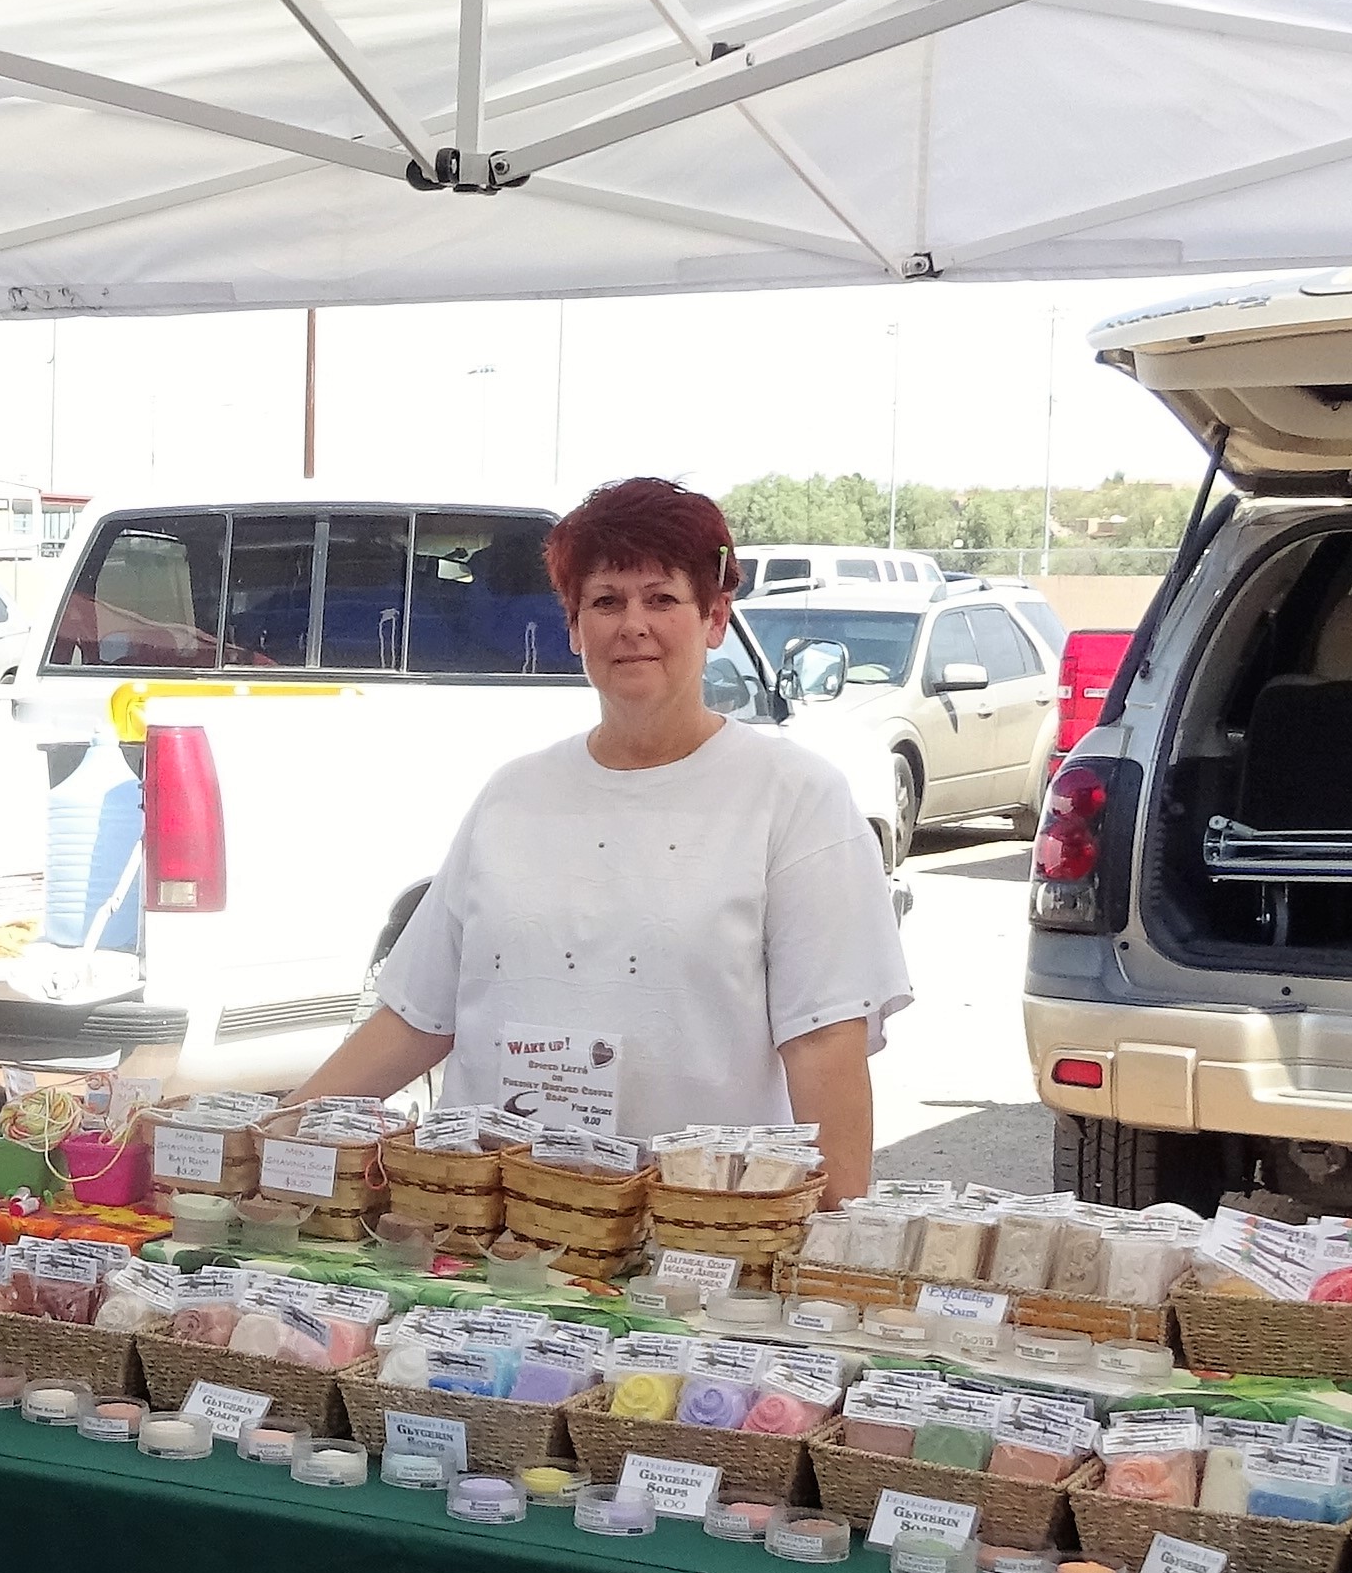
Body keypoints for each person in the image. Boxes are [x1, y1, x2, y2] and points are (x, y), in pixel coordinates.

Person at [271, 475, 909, 1189]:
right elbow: (418, 1015)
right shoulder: (513, 797)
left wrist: (838, 1241)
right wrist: (271, 1135)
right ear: (575, 628)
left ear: (715, 618)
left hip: (692, 1239)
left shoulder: (796, 798)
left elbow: (825, 1045)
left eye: (662, 598)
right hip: (491, 1231)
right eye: (605, 601)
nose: (632, 624)